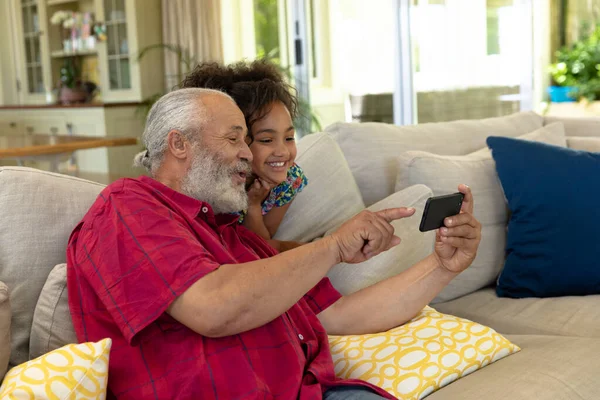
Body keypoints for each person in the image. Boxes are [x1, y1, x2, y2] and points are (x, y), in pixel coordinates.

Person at [67, 88, 482, 400]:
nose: (249, 154)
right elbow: (212, 307)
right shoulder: (129, 207)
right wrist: (333, 247)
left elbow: (340, 315)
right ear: (179, 144)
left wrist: (444, 266)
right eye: (234, 139)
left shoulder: (233, 234)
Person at [180, 60, 306, 243]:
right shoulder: (208, 182)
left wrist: (253, 206)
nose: (283, 151)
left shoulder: (288, 180)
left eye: (289, 138)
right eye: (266, 140)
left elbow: (263, 245)